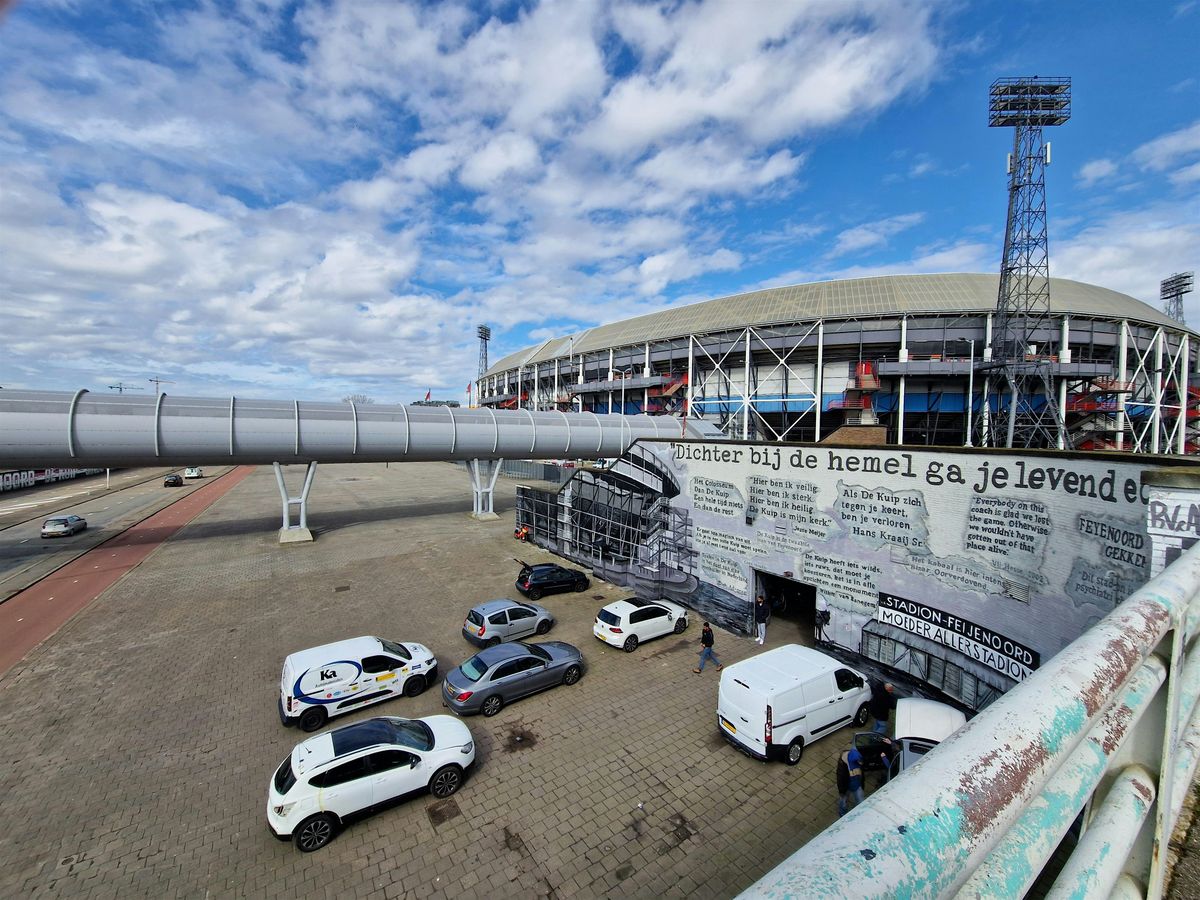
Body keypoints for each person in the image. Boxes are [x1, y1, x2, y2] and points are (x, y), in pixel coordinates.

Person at [836, 745, 865, 817]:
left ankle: (859, 814)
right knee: (843, 803)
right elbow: (840, 780)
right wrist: (842, 791)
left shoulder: (856, 760)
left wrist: (862, 785)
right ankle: (842, 814)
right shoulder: (844, 766)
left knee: (861, 801)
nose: (860, 763)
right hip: (846, 787)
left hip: (857, 785)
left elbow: (862, 775)